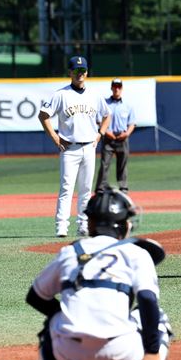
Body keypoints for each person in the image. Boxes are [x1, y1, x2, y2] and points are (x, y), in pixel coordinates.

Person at [25, 188, 181, 360]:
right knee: (159, 318)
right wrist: (152, 350)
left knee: (54, 320)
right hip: (121, 353)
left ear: (90, 224)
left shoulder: (70, 252)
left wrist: (62, 314)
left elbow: (35, 297)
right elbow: (147, 300)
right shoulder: (137, 253)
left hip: (70, 355)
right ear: (124, 224)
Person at [39, 56, 111, 238]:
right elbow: (43, 115)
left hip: (89, 147)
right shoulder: (61, 95)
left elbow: (107, 115)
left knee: (86, 189)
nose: (80, 73)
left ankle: (83, 224)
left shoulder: (94, 95)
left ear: (86, 72)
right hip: (69, 148)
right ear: (69, 72)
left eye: (83, 70)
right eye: (76, 70)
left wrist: (100, 134)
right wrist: (55, 137)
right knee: (66, 188)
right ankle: (61, 226)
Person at [95, 78, 137, 193]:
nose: (116, 89)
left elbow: (132, 123)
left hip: (122, 137)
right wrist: (106, 132)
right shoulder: (105, 103)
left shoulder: (128, 105)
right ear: (111, 88)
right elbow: (98, 120)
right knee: (104, 164)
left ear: (121, 88)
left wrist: (127, 133)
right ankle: (100, 188)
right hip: (108, 136)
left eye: (119, 86)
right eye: (115, 86)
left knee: (122, 164)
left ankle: (123, 187)